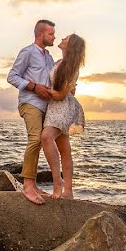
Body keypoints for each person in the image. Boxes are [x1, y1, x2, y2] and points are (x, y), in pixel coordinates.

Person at [7, 19, 56, 204]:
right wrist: (34, 87)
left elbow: (51, 82)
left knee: (42, 142)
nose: (53, 37)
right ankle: (27, 187)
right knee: (35, 139)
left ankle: (33, 184)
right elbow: (11, 76)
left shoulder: (49, 57)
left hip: (46, 107)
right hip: (29, 102)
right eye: (51, 34)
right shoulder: (27, 52)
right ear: (40, 34)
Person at [41, 34, 86, 199]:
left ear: (71, 44)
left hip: (63, 106)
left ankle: (57, 182)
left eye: (66, 38)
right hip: (54, 107)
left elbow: (60, 95)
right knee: (64, 148)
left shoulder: (71, 66)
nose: (62, 38)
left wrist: (39, 89)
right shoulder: (59, 62)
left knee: (46, 137)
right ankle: (68, 191)